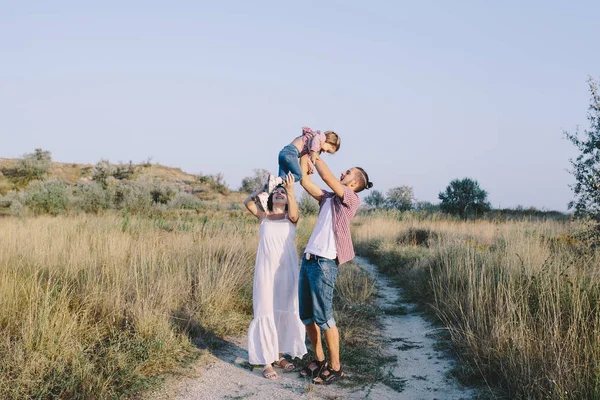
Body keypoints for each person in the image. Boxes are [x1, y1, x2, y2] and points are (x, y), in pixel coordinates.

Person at [297, 153, 373, 384]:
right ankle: (319, 360)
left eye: (347, 173)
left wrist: (316, 154)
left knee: (324, 317)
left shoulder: (350, 199)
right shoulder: (328, 198)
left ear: (353, 184)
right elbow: (305, 182)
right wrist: (304, 156)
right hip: (309, 259)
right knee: (307, 316)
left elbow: (328, 177)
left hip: (325, 263)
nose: (343, 173)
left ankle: (336, 367)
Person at [243, 173, 307, 380]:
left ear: (288, 199)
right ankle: (266, 361)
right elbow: (247, 202)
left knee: (283, 310)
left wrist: (290, 190)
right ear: (270, 198)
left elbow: (295, 213)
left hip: (286, 271)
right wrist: (263, 187)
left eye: (283, 193)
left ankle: (279, 356)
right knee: (265, 310)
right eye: (276, 192)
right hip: (265, 271)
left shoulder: (291, 218)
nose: (279, 194)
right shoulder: (263, 216)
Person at [256, 127, 341, 212]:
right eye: (328, 149)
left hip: (283, 153)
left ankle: (264, 195)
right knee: (298, 175)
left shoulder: (312, 138)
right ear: (329, 140)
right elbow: (315, 142)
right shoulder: (320, 136)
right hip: (291, 153)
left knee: (280, 184)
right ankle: (273, 181)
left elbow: (306, 153)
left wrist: (310, 164)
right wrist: (314, 153)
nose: (325, 152)